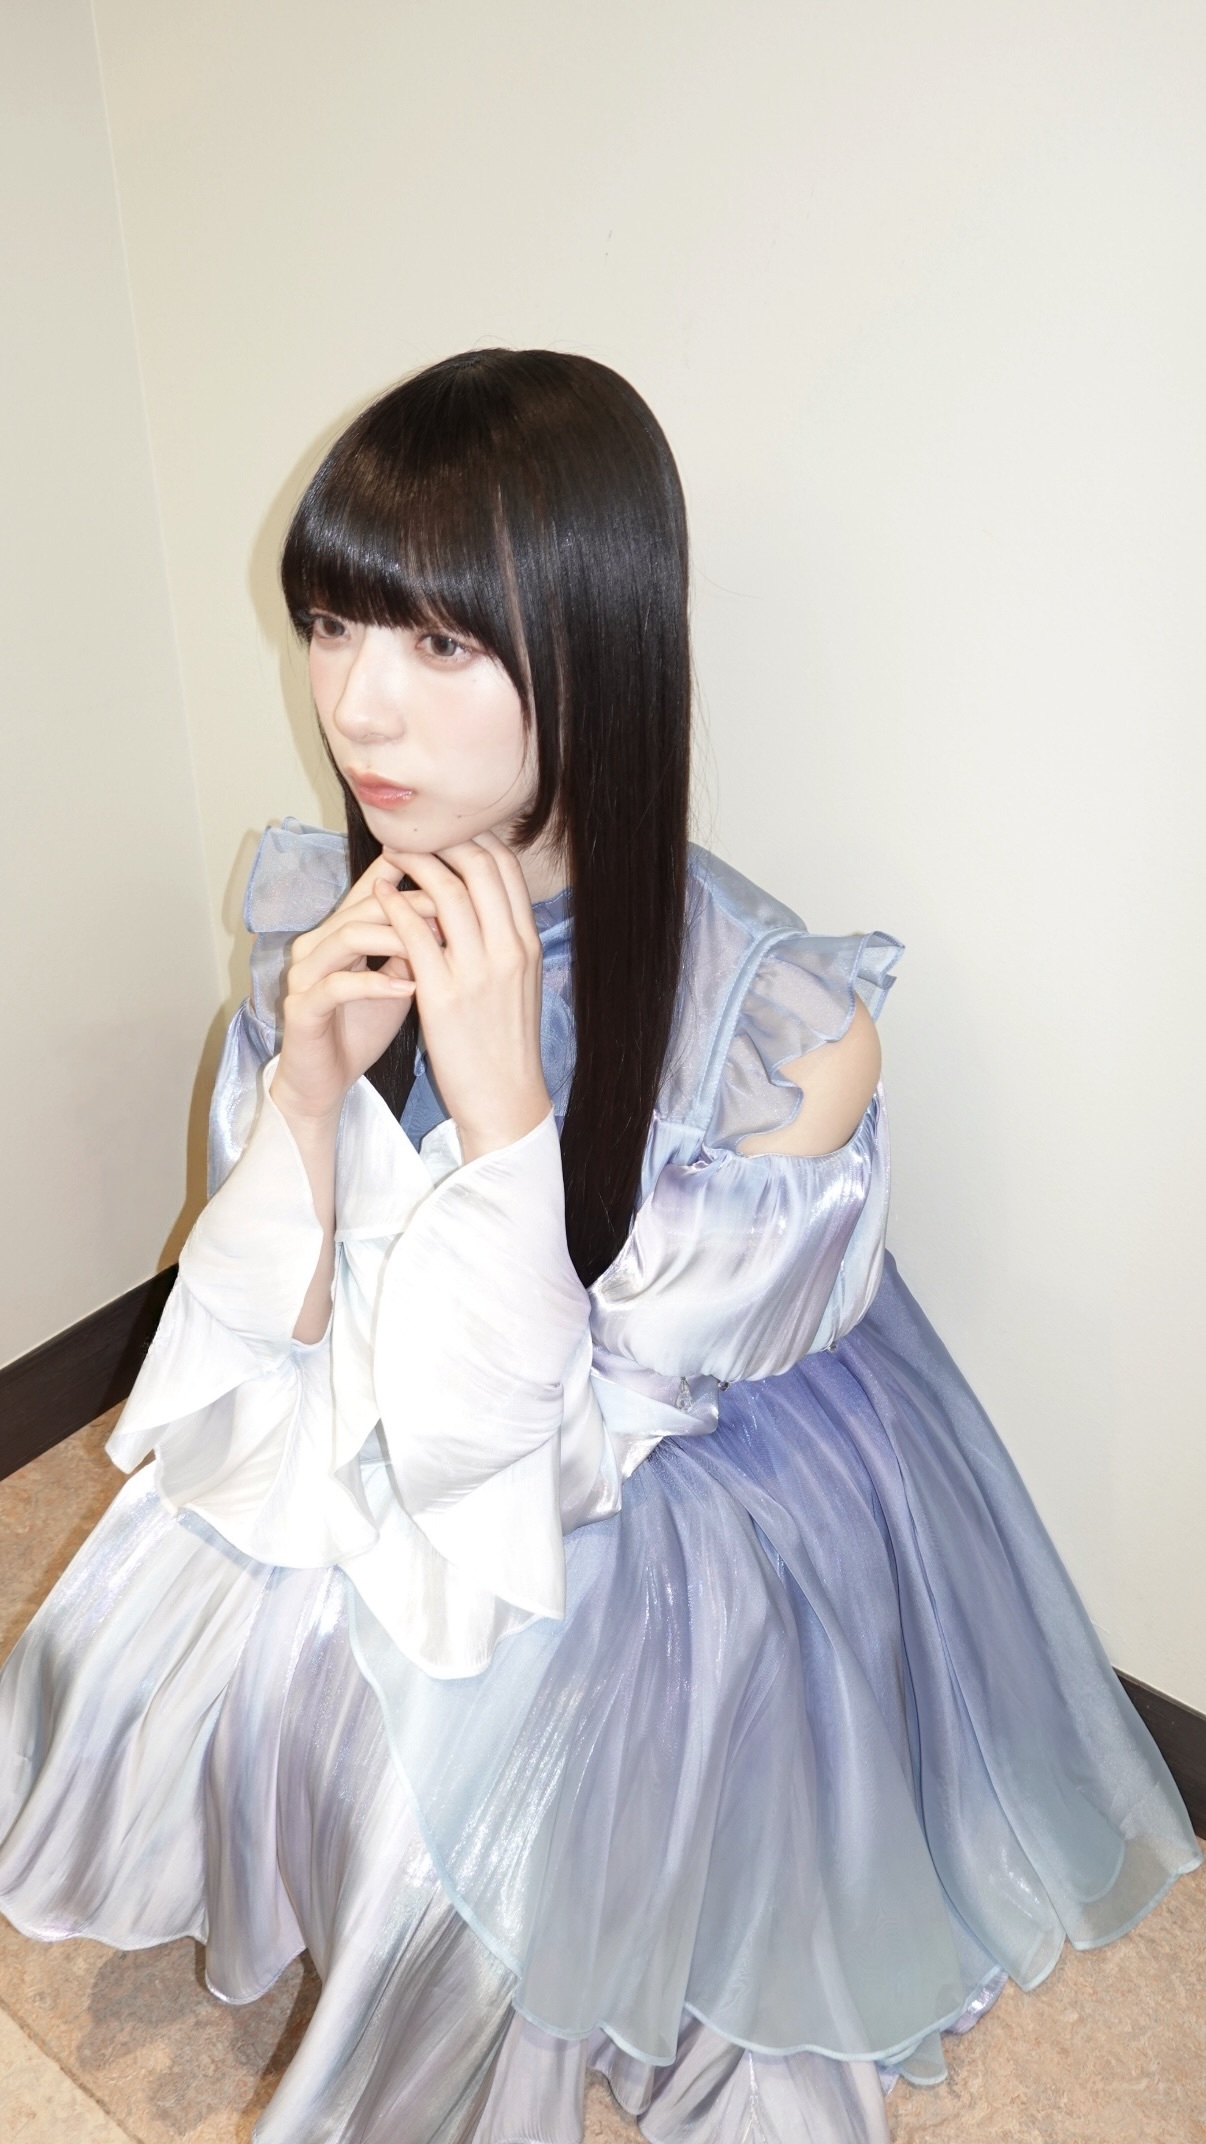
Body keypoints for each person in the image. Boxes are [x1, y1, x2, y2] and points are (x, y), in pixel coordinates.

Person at [0, 349, 1197, 2144]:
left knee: (460, 1807)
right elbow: (272, 1342)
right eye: (332, 625)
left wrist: (507, 1121)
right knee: (141, 1624)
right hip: (426, 1403)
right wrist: (309, 1098)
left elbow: (552, 1447)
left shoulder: (781, 1030)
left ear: (598, 644)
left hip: (651, 1460)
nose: (358, 707)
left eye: (440, 643)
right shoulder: (334, 918)